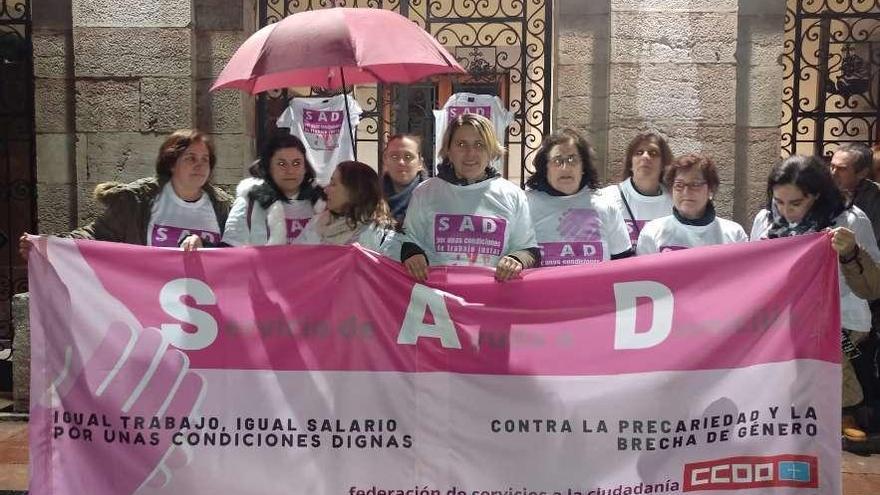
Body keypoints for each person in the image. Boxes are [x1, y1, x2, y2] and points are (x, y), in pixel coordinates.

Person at [751, 154, 880, 442]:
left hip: (840, 315)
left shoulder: (849, 220)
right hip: (782, 315)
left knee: (822, 342)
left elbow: (872, 287)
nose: (786, 212)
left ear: (818, 195)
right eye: (779, 201)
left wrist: (850, 253)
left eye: (796, 203)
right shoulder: (765, 219)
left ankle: (843, 411)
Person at [19, 128, 233, 257]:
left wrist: (205, 245)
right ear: (171, 164)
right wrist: (48, 246)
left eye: (205, 159)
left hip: (204, 314)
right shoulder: (137, 202)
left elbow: (238, 250)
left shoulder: (224, 207)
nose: (200, 165)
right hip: (148, 310)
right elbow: (95, 236)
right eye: (190, 158)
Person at [401, 113, 539, 282]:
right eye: (461, 144)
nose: (470, 153)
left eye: (479, 144)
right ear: (448, 150)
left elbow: (529, 250)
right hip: (438, 300)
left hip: (491, 300)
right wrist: (413, 254)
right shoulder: (425, 192)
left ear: (491, 150)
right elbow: (408, 240)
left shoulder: (513, 195)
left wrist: (516, 260)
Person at [526, 128, 632, 266]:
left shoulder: (605, 204)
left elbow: (623, 263)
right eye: (557, 161)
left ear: (583, 166)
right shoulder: (526, 204)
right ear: (545, 168)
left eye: (572, 160)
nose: (565, 168)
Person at [222, 134, 322, 246]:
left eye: (296, 163)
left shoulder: (322, 204)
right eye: (281, 164)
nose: (290, 171)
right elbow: (230, 253)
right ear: (268, 167)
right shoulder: (248, 204)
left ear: (305, 167)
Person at [636, 154, 746, 254]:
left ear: (711, 189)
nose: (686, 192)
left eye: (695, 184)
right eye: (679, 185)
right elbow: (643, 275)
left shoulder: (734, 234)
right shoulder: (652, 231)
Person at [295, 160, 398, 257]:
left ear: (354, 191)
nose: (326, 190)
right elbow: (296, 259)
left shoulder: (381, 236)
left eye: (333, 184)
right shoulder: (316, 224)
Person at [600, 131, 674, 251]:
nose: (645, 156)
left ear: (663, 164)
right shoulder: (606, 198)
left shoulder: (675, 203)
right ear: (630, 164)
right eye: (639, 153)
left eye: (653, 153)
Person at [830, 143, 880, 246]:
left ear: (862, 173)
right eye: (832, 166)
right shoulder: (819, 192)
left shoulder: (875, 199)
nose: (833, 173)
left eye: (842, 169)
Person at [381, 134, 426, 226]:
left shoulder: (433, 196)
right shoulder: (369, 197)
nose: (401, 162)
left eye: (408, 157)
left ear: (420, 163)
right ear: (385, 160)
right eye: (394, 156)